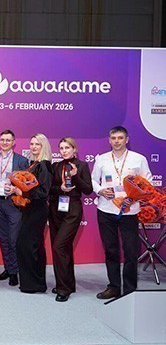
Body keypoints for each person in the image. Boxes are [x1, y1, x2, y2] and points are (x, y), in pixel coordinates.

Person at [91, 126, 152, 299]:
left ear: (127, 140)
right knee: (111, 250)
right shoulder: (102, 159)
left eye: (120, 138)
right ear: (109, 140)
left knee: (131, 251)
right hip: (106, 209)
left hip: (129, 210)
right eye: (113, 138)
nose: (117, 141)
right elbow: (93, 180)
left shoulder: (138, 159)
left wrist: (135, 197)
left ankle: (130, 288)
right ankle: (114, 287)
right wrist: (101, 190)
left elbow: (147, 182)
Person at [49, 137, 93, 302]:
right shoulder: (56, 166)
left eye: (67, 148)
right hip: (56, 209)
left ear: (74, 149)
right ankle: (68, 283)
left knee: (59, 246)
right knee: (63, 248)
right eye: (61, 148)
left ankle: (63, 289)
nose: (64, 151)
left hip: (73, 209)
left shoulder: (82, 166)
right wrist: (59, 188)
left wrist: (75, 177)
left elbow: (88, 190)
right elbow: (49, 189)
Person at [0, 129, 29, 286]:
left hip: (13, 203)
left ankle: (14, 271)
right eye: (2, 140)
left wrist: (15, 189)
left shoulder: (21, 160)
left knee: (13, 239)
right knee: (3, 238)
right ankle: (8, 268)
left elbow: (26, 184)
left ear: (13, 142)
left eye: (8, 140)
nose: (5, 142)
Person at [14, 133, 53, 294]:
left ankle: (35, 284)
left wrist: (22, 193)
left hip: (37, 210)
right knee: (30, 245)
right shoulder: (32, 164)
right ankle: (33, 283)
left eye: (37, 144)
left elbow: (43, 192)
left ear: (44, 147)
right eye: (32, 144)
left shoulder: (44, 165)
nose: (34, 147)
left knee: (30, 245)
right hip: (29, 209)